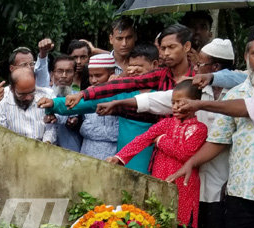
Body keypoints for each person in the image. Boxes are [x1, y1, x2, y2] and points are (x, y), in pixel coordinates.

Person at [168, 36, 254, 228]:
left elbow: (247, 108)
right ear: (248, 58)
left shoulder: (234, 99)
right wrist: (192, 162)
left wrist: (200, 105)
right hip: (242, 190)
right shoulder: (236, 92)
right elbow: (218, 140)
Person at [108, 80, 207, 228]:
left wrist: (161, 140)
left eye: (180, 103)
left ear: (196, 103)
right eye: (173, 102)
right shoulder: (166, 123)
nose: (175, 107)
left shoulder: (200, 129)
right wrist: (119, 157)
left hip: (184, 183)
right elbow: (143, 139)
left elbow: (186, 154)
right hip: (160, 177)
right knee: (156, 219)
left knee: (179, 225)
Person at [65, 24, 195, 109]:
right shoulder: (160, 75)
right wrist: (83, 94)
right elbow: (124, 84)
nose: (166, 53)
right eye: (163, 48)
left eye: (171, 47)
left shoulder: (199, 79)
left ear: (187, 47)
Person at [45, 54, 119, 159]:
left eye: (98, 76)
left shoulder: (121, 96)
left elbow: (118, 133)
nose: (93, 80)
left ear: (111, 74)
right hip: (86, 155)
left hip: (111, 157)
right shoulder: (85, 95)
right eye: (91, 76)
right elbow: (83, 127)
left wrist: (86, 128)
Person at [0, 67, 56, 144]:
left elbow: (51, 127)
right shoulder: (0, 101)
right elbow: (2, 134)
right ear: (12, 89)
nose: (28, 98)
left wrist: (46, 143)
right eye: (22, 94)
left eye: (32, 93)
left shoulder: (48, 96)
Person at [47, 54, 82, 152]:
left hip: (71, 151)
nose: (64, 76)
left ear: (74, 75)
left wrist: (77, 121)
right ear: (52, 74)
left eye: (69, 71)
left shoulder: (80, 98)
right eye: (59, 71)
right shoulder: (43, 96)